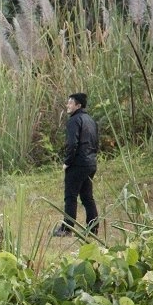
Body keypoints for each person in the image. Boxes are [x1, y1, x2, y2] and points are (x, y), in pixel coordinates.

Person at [54, 93, 99, 237]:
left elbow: (72, 143)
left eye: (70, 103)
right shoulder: (90, 120)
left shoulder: (74, 120)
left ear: (78, 105)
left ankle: (67, 229)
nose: (67, 105)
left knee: (70, 196)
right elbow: (96, 142)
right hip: (90, 163)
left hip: (78, 164)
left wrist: (67, 162)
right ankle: (93, 228)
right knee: (87, 197)